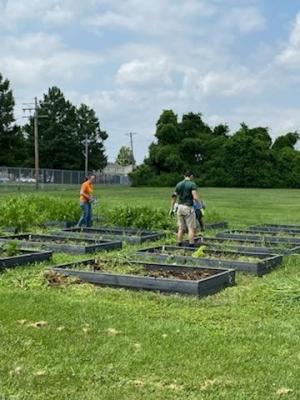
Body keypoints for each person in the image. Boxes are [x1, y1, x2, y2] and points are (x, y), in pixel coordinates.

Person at [170, 171, 201, 246]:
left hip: (179, 207)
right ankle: (191, 245)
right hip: (188, 207)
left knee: (181, 228)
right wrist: (199, 205)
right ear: (191, 176)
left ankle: (179, 243)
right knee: (191, 228)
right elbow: (195, 197)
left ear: (184, 176)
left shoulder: (179, 184)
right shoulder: (192, 184)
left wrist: (171, 208)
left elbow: (174, 197)